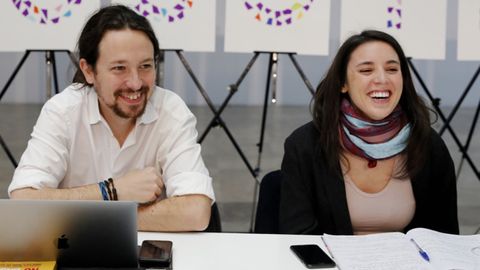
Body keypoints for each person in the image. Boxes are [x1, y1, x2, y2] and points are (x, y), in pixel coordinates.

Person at [8, 5, 215, 232]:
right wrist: (111, 190)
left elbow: (196, 211)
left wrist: (100, 216)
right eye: (119, 68)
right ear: (88, 71)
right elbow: (23, 202)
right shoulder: (62, 111)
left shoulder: (171, 111)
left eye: (145, 66)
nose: (136, 83)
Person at [279, 30, 459, 235]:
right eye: (366, 70)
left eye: (392, 69)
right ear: (343, 83)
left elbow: (444, 238)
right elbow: (298, 236)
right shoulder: (304, 145)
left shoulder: (428, 144)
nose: (382, 79)